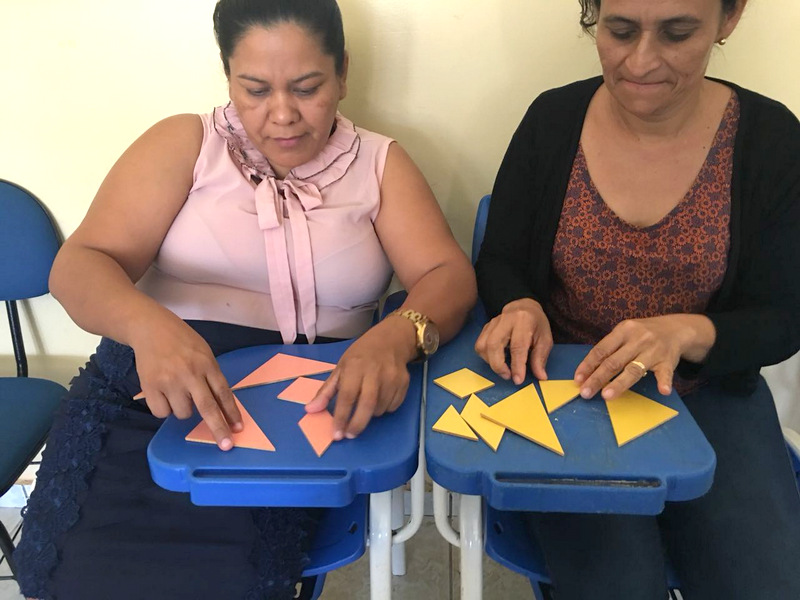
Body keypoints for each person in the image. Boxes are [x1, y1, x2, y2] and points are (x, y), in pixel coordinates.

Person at [14, 1, 476, 598]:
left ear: (342, 73)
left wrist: (393, 337)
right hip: (148, 397)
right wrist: (149, 328)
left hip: (296, 416)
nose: (282, 115)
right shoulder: (185, 143)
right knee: (72, 575)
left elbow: (447, 275)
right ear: (227, 75)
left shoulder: (377, 164)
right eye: (254, 90)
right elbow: (79, 265)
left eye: (307, 88)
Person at [474, 0, 800, 598]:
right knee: (618, 583)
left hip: (707, 395)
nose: (642, 61)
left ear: (728, 20)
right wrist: (519, 304)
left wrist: (688, 333)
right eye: (621, 31)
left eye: (677, 34)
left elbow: (785, 315)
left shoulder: (770, 139)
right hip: (569, 389)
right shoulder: (553, 120)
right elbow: (499, 259)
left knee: (767, 583)